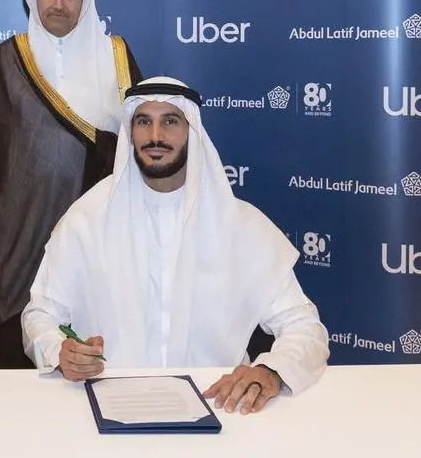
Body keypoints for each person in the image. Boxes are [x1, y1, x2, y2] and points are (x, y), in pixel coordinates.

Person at [22, 77, 330, 414]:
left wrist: (271, 371)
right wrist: (58, 352)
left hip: (220, 406)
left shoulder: (242, 226)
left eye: (170, 121)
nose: (155, 135)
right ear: (130, 132)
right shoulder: (86, 219)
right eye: (143, 122)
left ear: (192, 131)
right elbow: (40, 315)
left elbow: (305, 327)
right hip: (107, 405)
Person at [0, 0, 143, 368]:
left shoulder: (115, 56)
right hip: (20, 221)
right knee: (17, 311)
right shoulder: (11, 56)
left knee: (90, 305)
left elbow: (140, 135)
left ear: (85, 1)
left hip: (96, 216)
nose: (58, 4)